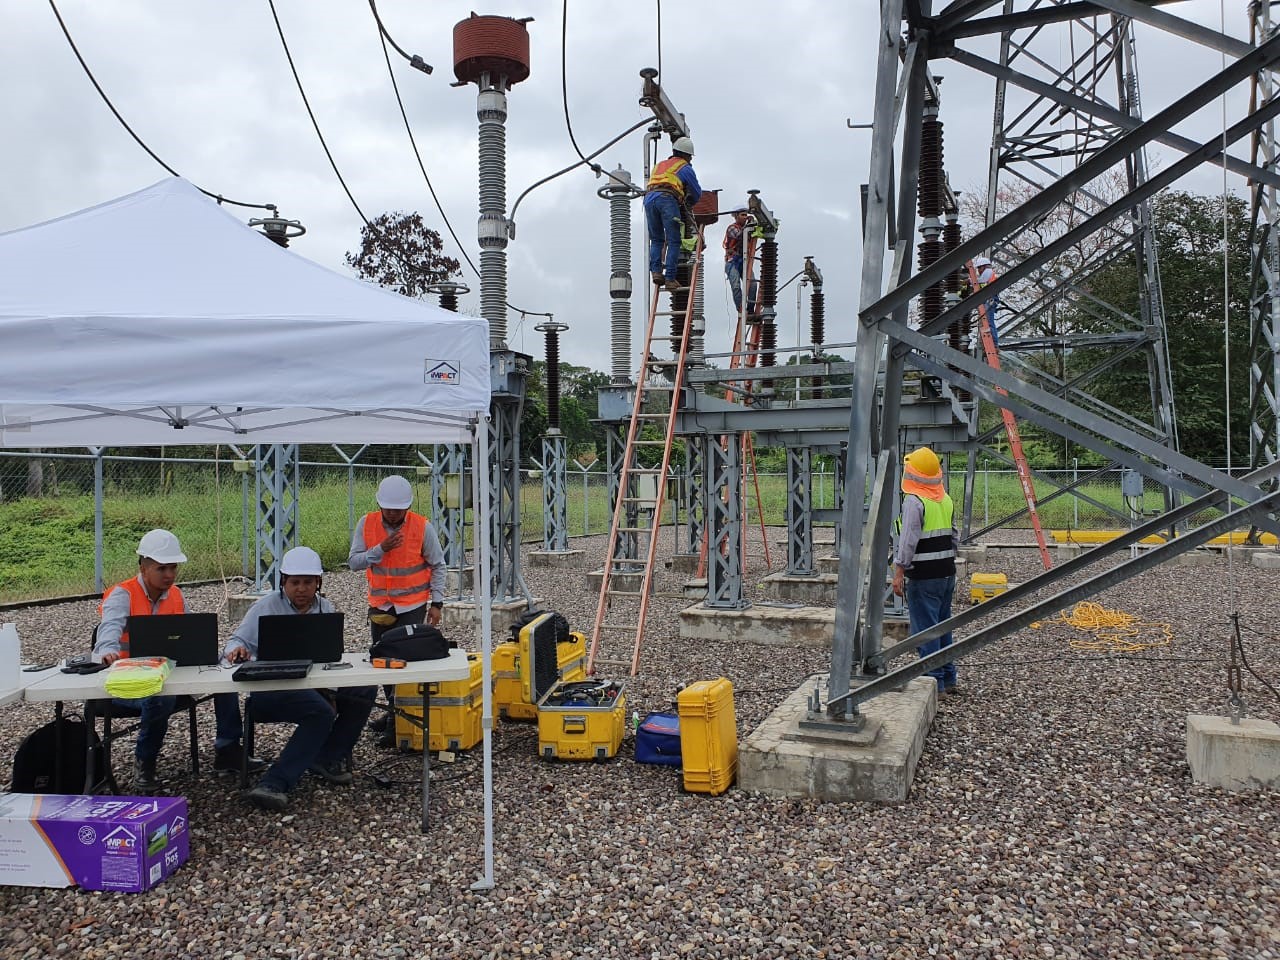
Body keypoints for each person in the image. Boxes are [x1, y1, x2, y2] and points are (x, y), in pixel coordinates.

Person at [93, 528, 263, 791]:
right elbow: (109, 628)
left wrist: (218, 655)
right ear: (143, 567)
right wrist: (107, 650)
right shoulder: (122, 594)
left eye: (173, 568)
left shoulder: (176, 595)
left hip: (169, 677)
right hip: (124, 685)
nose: (170, 575)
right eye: (162, 569)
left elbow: (189, 635)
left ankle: (227, 749)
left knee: (224, 674)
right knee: (159, 696)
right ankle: (145, 762)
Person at [224, 546, 376, 812]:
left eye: (308, 582)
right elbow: (236, 641)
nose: (302, 589)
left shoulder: (325, 608)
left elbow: (331, 652)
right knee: (321, 713)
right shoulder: (265, 606)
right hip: (272, 690)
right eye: (295, 582)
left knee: (364, 689)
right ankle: (274, 783)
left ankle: (326, 757)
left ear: (318, 582)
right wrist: (236, 651)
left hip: (315, 688)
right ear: (283, 581)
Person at [348, 475, 446, 745]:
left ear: (407, 507)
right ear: (380, 505)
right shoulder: (366, 524)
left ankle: (397, 723)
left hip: (412, 605)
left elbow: (438, 565)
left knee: (404, 664)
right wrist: (379, 550)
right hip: (380, 605)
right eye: (388, 509)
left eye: (398, 509)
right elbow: (354, 562)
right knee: (382, 661)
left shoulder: (422, 527)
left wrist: (436, 603)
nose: (392, 514)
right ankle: (394, 710)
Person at [891, 447, 959, 695]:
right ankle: (949, 676)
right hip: (946, 573)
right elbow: (954, 536)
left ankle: (933, 681)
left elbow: (908, 541)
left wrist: (899, 572)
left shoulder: (914, 501)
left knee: (926, 629)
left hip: (924, 576)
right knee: (943, 625)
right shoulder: (945, 499)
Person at [644, 136, 702, 293]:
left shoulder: (660, 165)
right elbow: (697, 193)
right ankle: (670, 279)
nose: (690, 160)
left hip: (649, 199)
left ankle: (656, 272)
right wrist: (688, 201)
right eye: (690, 157)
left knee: (656, 239)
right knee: (674, 241)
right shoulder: (685, 168)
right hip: (667, 200)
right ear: (686, 155)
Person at [723, 208, 751, 313]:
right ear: (736, 216)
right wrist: (749, 226)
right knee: (736, 286)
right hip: (732, 261)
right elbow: (740, 236)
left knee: (752, 284)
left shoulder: (747, 229)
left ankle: (750, 309)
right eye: (743, 215)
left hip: (743, 260)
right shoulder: (732, 228)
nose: (745, 217)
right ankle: (741, 309)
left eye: (746, 215)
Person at [973, 255, 999, 347]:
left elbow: (981, 281)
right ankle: (992, 341)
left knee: (989, 321)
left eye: (979, 268)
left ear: (983, 266)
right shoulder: (989, 273)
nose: (978, 271)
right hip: (990, 299)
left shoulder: (988, 272)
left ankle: (994, 343)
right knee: (988, 321)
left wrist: (969, 281)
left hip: (991, 299)